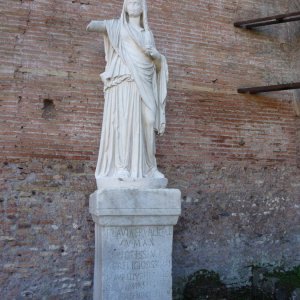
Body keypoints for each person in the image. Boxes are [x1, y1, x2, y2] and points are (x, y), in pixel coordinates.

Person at [87, 0, 168, 187]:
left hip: (145, 81)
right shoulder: (117, 26)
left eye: (137, 2)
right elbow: (93, 26)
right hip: (125, 80)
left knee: (149, 121)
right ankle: (122, 166)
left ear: (143, 8)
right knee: (124, 121)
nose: (133, 5)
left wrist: (156, 57)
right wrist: (98, 25)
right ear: (124, 6)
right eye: (130, 2)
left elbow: (157, 65)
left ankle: (150, 167)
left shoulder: (148, 34)